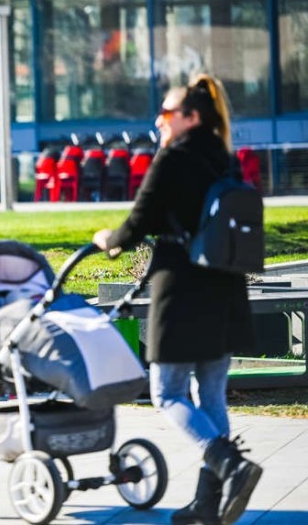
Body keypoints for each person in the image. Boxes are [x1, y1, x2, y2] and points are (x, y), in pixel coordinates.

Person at [92, 74, 262, 525]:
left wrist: (108, 238)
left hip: (183, 287)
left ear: (190, 117)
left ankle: (229, 463)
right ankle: (208, 505)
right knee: (210, 394)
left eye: (167, 113)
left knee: (166, 392)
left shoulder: (173, 157)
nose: (159, 120)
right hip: (224, 287)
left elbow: (138, 223)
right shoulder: (224, 158)